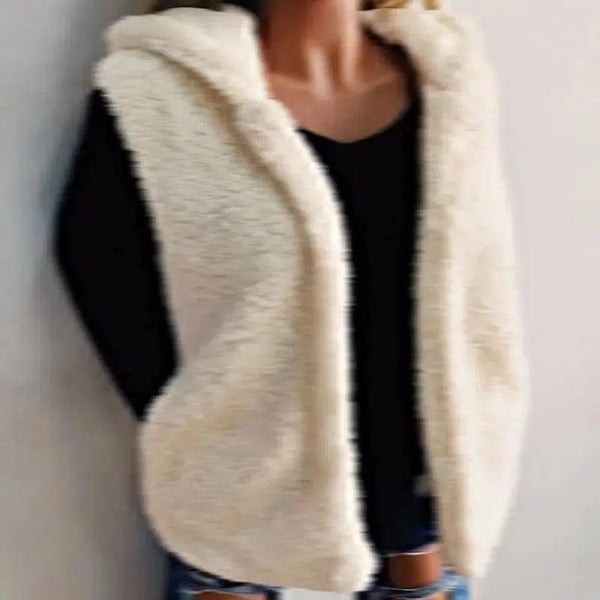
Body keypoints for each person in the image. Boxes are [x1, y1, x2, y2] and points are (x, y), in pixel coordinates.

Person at [52, 0, 530, 598]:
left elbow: (482, 283)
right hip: (238, 510)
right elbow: (103, 271)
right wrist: (207, 427)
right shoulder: (161, 93)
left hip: (425, 500)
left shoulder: (448, 76)